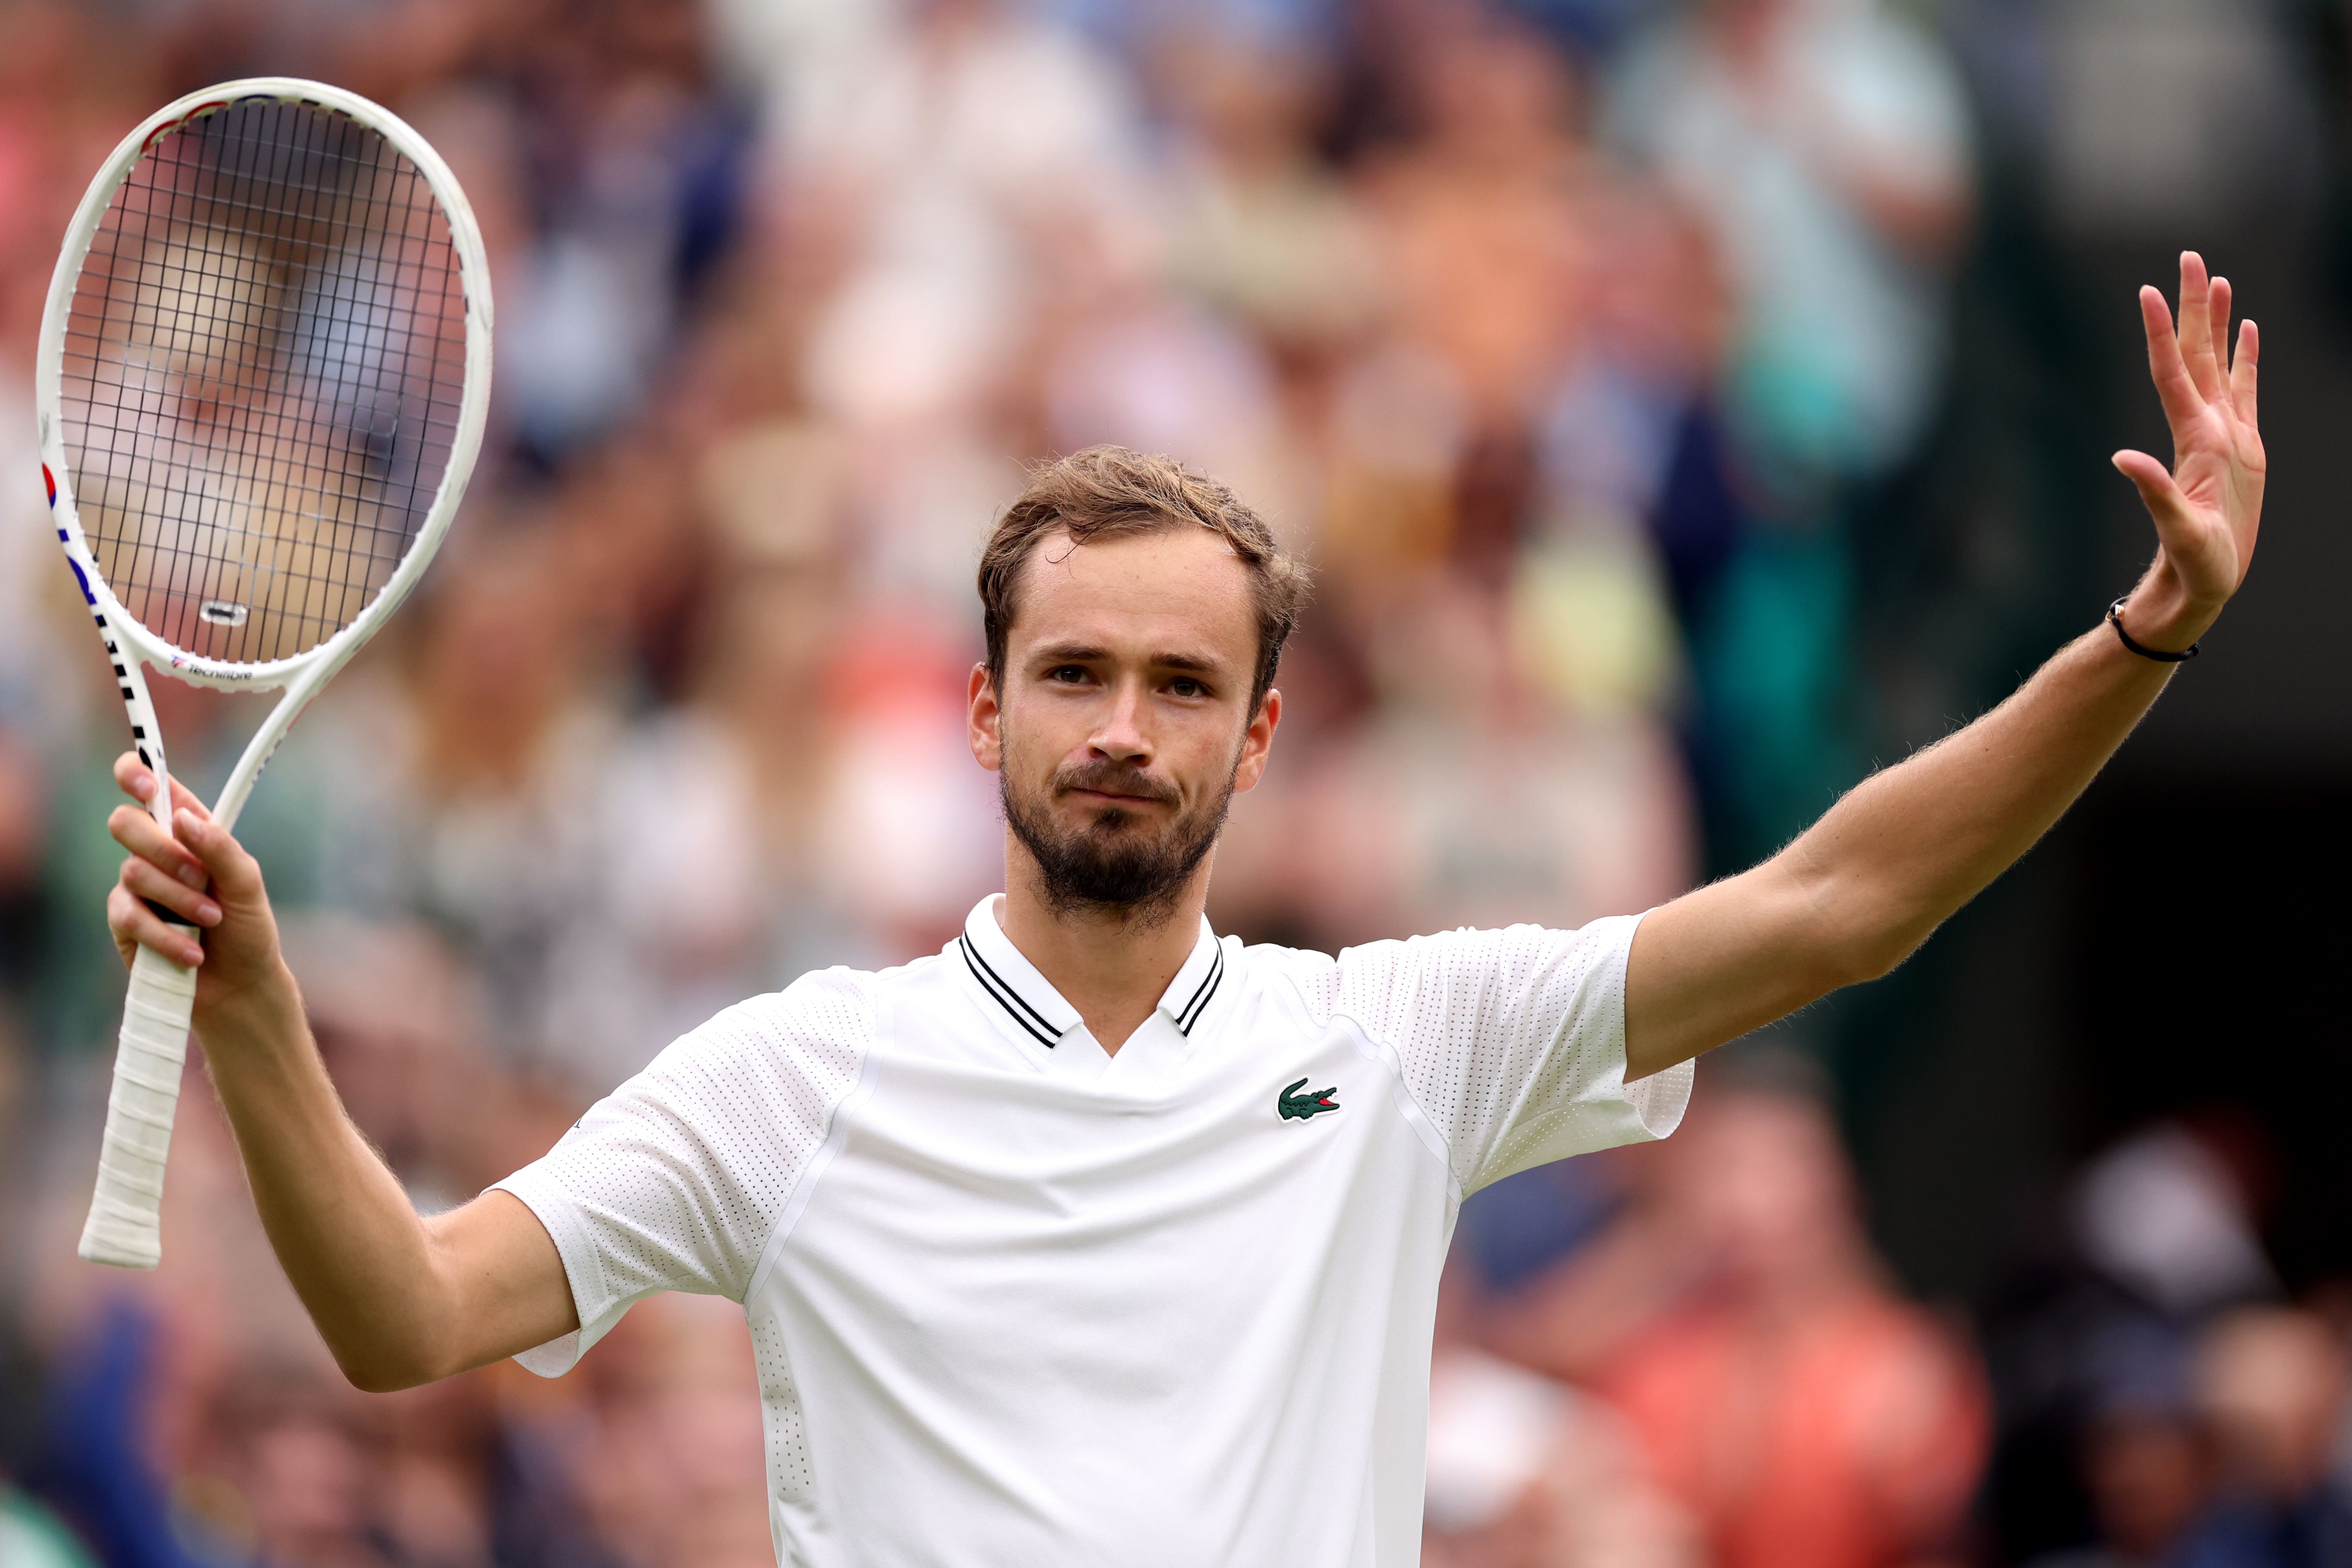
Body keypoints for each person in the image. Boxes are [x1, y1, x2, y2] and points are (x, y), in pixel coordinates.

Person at [99, 256, 2263, 1566]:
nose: (1123, 726)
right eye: (1075, 674)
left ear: (1262, 734)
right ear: (980, 712)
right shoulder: (794, 1076)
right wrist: (263, 1004)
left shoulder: (1401, 1042)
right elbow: (399, 1315)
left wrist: (2140, 644)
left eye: (1181, 683)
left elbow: (1840, 901)